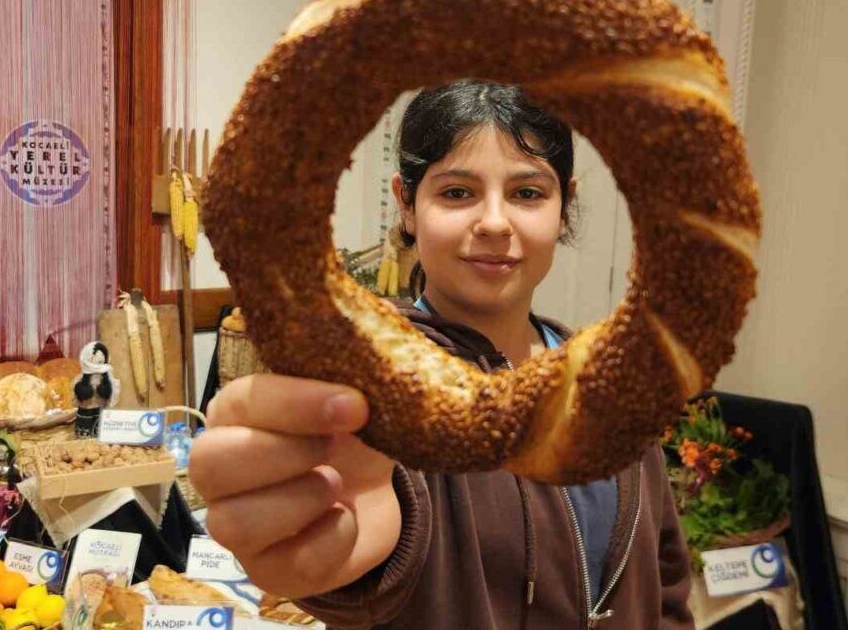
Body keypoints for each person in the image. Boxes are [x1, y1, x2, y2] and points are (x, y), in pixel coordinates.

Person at [189, 80, 693, 629]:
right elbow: (367, 531)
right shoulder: (381, 385)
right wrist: (336, 560)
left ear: (563, 206)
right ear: (407, 204)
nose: (495, 222)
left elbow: (665, 585)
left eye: (528, 193)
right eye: (457, 192)